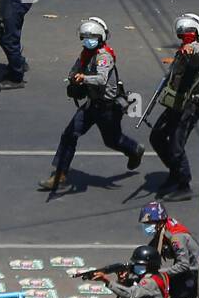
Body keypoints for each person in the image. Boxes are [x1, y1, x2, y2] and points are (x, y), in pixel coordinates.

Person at [38, 16, 143, 191]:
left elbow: (102, 79)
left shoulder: (104, 56)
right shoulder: (85, 55)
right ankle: (60, 175)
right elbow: (74, 71)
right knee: (69, 134)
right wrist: (73, 79)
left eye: (92, 37)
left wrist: (84, 78)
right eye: (85, 37)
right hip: (91, 105)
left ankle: (134, 149)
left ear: (101, 37)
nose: (88, 41)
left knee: (112, 140)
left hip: (108, 108)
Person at [149, 13, 199, 200]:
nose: (184, 38)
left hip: (190, 106)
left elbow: (196, 52)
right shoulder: (181, 50)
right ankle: (174, 172)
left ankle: (184, 184)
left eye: (188, 34)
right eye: (182, 36)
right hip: (176, 103)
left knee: (175, 144)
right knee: (156, 136)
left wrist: (190, 48)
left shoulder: (197, 49)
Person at [139, 200, 199, 298]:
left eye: (149, 223)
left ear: (160, 222)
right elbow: (151, 251)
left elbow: (183, 265)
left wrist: (160, 274)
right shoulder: (162, 230)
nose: (146, 226)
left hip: (194, 273)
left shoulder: (176, 237)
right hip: (183, 272)